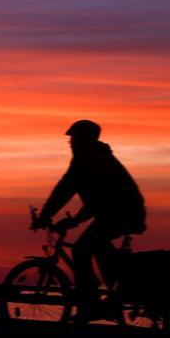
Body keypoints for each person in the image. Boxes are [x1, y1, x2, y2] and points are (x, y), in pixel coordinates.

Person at [35, 120, 146, 323]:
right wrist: (75, 220)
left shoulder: (88, 160)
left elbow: (65, 189)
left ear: (85, 139)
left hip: (121, 213)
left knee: (81, 249)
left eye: (74, 138)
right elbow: (96, 199)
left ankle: (92, 301)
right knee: (97, 246)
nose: (71, 143)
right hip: (118, 212)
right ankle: (110, 294)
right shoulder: (95, 157)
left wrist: (44, 216)